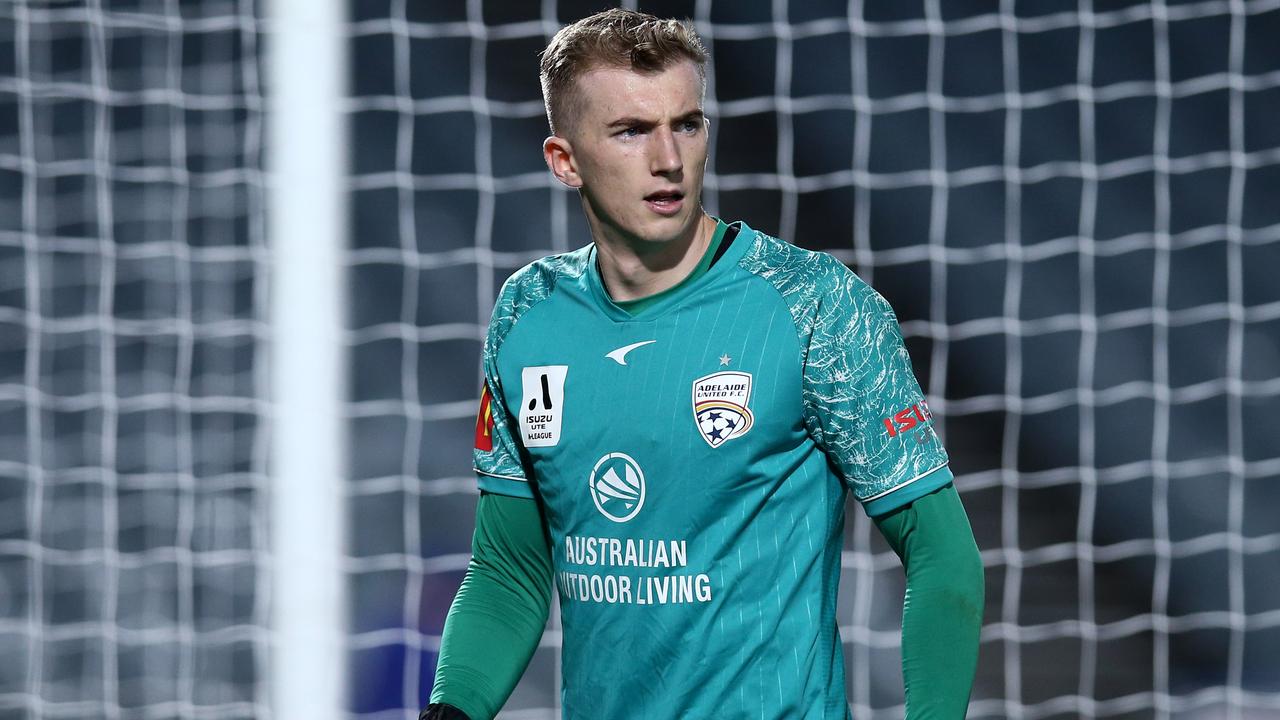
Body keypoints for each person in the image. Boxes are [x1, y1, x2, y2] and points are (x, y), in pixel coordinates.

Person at [424, 9, 983, 720]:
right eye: (631, 131)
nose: (669, 159)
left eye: (686, 124)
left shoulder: (816, 307)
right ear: (565, 160)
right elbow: (510, 571)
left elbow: (944, 558)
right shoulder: (528, 314)